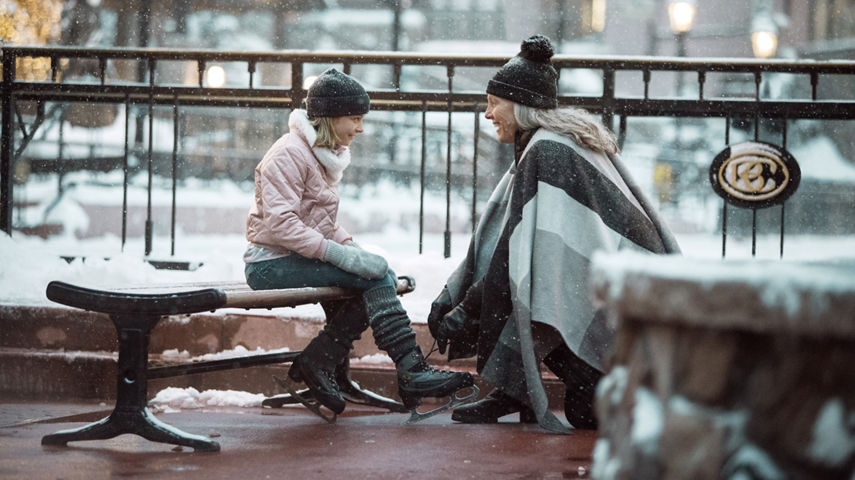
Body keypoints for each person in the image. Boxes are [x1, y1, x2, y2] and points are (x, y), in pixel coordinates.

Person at [427, 35, 681, 433]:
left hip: (618, 303)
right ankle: (516, 390)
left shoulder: (548, 150)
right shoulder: (550, 142)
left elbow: (516, 255)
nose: (488, 113)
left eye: (495, 103)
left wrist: (465, 308)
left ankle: (554, 385)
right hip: (625, 292)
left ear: (522, 105)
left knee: (536, 290)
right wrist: (461, 297)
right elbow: (512, 244)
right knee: (530, 281)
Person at [244, 67, 473, 421]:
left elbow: (321, 223)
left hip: (292, 256)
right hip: (269, 263)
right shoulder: (289, 154)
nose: (360, 128)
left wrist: (353, 249)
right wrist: (342, 256)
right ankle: (409, 371)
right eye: (354, 118)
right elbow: (282, 225)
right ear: (330, 117)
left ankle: (319, 361)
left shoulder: (318, 154)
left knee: (376, 275)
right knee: (375, 279)